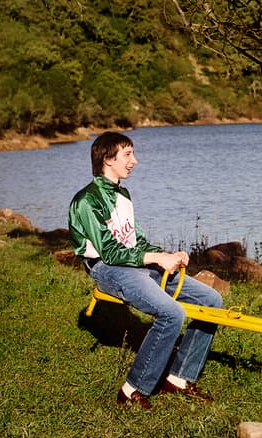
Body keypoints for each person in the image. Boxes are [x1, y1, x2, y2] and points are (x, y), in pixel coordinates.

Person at [68, 131, 223, 410]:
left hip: (135, 264)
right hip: (108, 269)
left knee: (213, 300)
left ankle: (177, 379)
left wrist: (165, 255)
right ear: (108, 159)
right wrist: (153, 258)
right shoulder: (86, 201)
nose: (135, 161)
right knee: (171, 313)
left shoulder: (123, 195)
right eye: (128, 155)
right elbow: (111, 252)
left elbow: (135, 241)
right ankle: (132, 390)